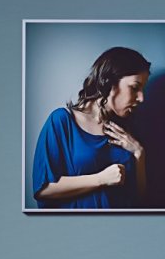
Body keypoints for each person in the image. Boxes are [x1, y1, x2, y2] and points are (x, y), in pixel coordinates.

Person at [30, 47, 150, 210]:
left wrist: (139, 153)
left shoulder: (126, 130)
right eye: (135, 87)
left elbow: (138, 198)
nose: (141, 98)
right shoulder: (62, 121)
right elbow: (43, 189)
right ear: (109, 82)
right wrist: (101, 179)